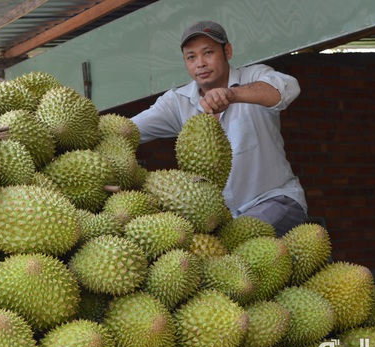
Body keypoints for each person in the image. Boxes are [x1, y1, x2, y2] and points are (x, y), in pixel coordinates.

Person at [131, 20, 307, 237]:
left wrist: (233, 94)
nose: (200, 63)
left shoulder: (252, 77)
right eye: (191, 57)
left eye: (208, 52)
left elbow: (287, 88)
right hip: (223, 222)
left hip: (276, 201)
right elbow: (129, 129)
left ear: (228, 51)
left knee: (233, 245)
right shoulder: (178, 102)